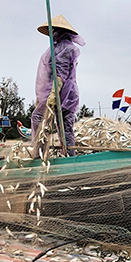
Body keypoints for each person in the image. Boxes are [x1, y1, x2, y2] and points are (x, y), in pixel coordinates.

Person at [30, 14, 84, 156]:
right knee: (52, 123)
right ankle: (43, 152)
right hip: (58, 93)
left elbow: (61, 74)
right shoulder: (55, 48)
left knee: (59, 124)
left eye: (54, 30)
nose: (52, 33)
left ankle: (63, 155)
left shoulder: (66, 48)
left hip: (64, 94)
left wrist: (53, 95)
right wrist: (41, 96)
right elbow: (49, 74)